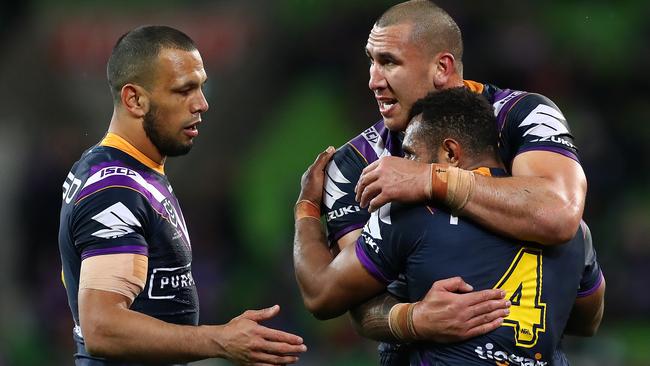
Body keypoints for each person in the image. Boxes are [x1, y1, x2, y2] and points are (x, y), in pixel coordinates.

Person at [313, 1, 589, 363]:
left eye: (389, 62)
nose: (373, 80)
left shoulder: (522, 115)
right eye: (371, 60)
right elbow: (350, 298)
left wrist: (433, 180)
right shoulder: (354, 163)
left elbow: (559, 214)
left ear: (442, 67)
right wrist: (411, 319)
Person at [294, 87, 605, 365]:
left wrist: (307, 209)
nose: (406, 165)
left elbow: (321, 294)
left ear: (450, 154)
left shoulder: (412, 214)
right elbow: (587, 321)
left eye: (411, 154)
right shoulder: (578, 234)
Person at [58, 26, 306, 365]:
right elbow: (101, 326)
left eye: (201, 86)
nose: (202, 104)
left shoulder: (131, 170)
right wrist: (219, 340)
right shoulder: (115, 191)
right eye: (183, 90)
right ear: (135, 99)